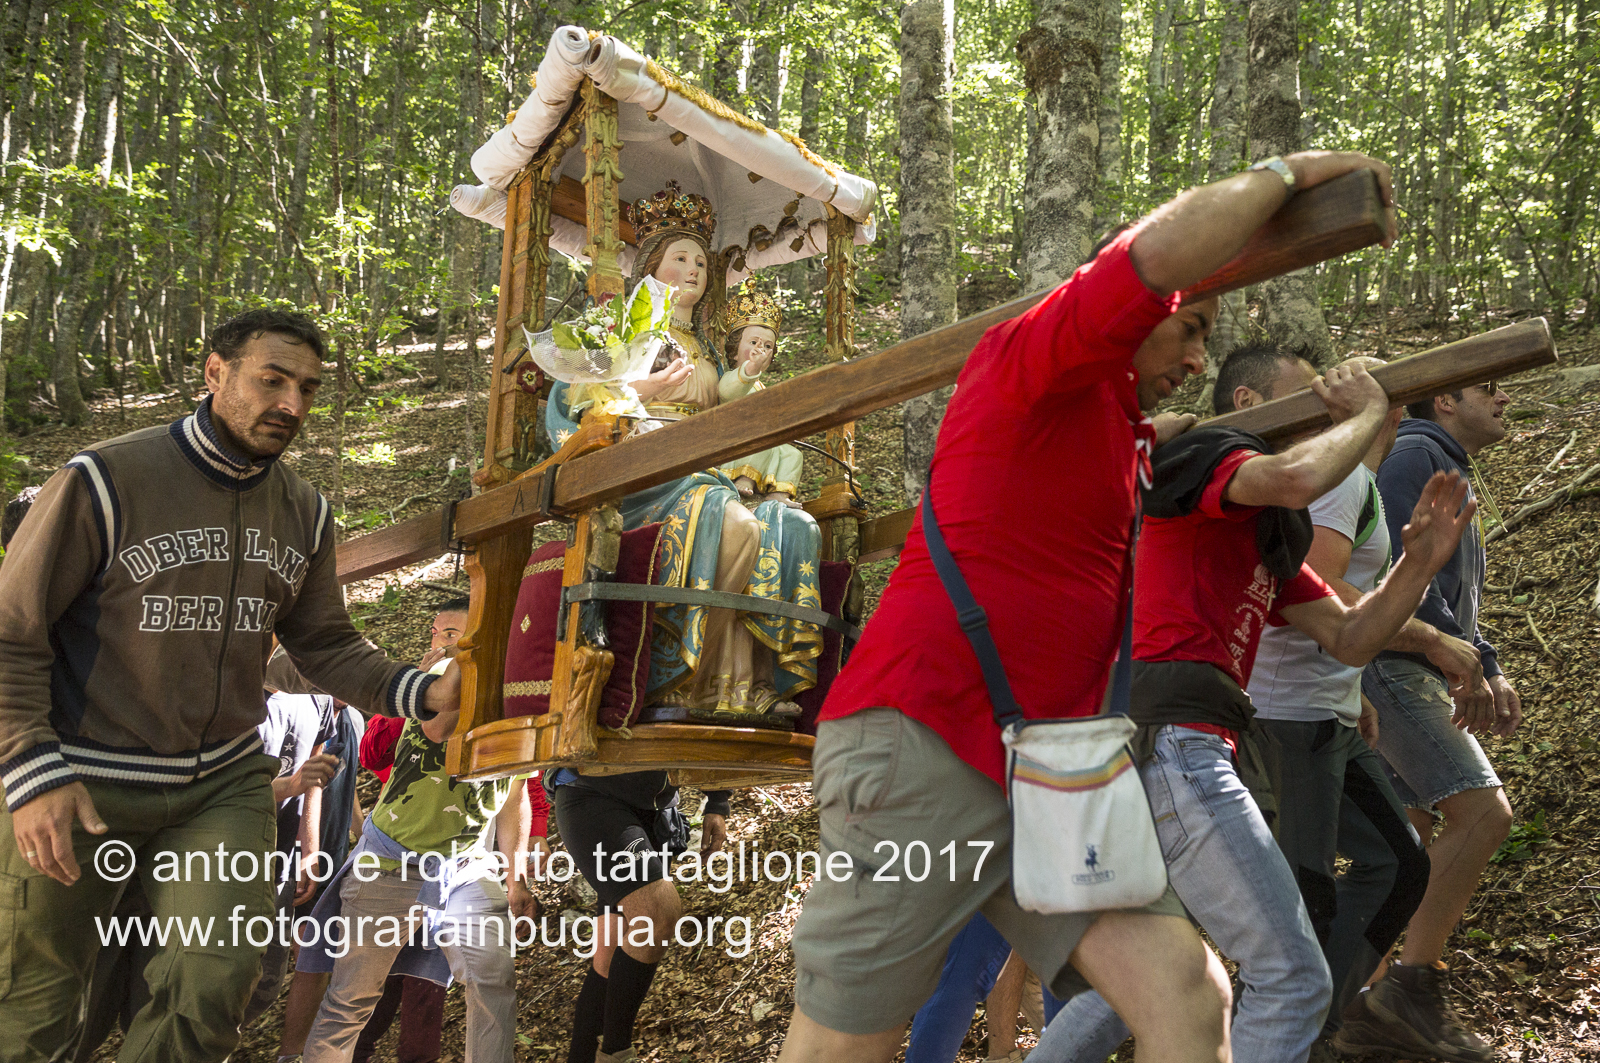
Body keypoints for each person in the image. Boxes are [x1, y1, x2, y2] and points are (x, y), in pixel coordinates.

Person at [774, 150, 1400, 1063]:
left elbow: (1148, 447)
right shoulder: (1038, 351)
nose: (1198, 358)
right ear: (1130, 310)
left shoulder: (1115, 427)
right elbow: (1156, 255)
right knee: (845, 1042)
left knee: (1189, 993)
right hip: (927, 738)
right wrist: (1288, 171)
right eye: (1190, 329)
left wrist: (1154, 432)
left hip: (1049, 772)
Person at [0, 308, 459, 1061]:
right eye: (271, 380)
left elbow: (323, 645)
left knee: (214, 983)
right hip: (83, 774)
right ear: (215, 373)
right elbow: (12, 630)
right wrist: (30, 769)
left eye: (307, 388)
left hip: (220, 780)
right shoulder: (105, 480)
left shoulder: (304, 511)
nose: (291, 404)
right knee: (34, 1006)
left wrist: (424, 693)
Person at [1033, 359, 1478, 1063]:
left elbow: (1351, 637)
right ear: (1251, 406)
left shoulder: (1268, 541)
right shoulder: (1207, 458)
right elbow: (1297, 476)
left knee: (1137, 982)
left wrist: (1416, 566)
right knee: (1293, 978)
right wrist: (1365, 412)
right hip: (1170, 743)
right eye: (1307, 396)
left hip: (1151, 753)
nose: (1321, 407)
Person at [1229, 350, 1467, 1049]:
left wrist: (1354, 687)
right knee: (1310, 895)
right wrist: (1430, 639)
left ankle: (1307, 1027)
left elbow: (1321, 595)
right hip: (1290, 715)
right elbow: (1318, 590)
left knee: (1396, 866)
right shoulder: (1342, 481)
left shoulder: (1354, 479)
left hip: (1322, 707)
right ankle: (1284, 1035)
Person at [546, 182, 822, 721]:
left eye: (700, 261)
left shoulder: (709, 349)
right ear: (652, 265)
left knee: (791, 525)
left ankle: (744, 687)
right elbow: (573, 400)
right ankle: (679, 677)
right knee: (732, 522)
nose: (694, 269)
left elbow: (735, 411)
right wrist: (644, 389)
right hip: (643, 467)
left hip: (710, 467)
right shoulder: (619, 329)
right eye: (680, 258)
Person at [1343, 380, 1520, 1063]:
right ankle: (1407, 988)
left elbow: (1449, 592)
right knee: (1483, 815)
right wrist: (1454, 658)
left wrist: (1485, 662)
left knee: (1406, 840)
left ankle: (1359, 1005)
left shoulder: (1443, 460)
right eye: (1487, 387)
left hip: (1413, 662)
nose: (1503, 400)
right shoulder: (1416, 452)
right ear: (1443, 399)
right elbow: (1396, 574)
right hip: (1395, 664)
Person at [299, 698, 537, 1063]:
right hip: (390, 862)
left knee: (494, 978)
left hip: (466, 865)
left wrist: (515, 880)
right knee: (351, 1001)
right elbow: (436, 729)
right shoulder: (442, 679)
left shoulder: (526, 700)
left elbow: (514, 796)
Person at [549, 766, 729, 1063]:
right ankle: (616, 1054)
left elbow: (709, 738)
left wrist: (718, 800)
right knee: (657, 912)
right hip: (592, 791)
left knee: (610, 953)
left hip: (654, 808)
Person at [716, 282, 806, 508]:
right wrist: (750, 369)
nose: (761, 350)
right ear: (734, 350)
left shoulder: (761, 387)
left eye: (767, 346)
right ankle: (743, 477)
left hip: (762, 441)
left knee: (793, 454)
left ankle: (779, 492)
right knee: (760, 440)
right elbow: (727, 392)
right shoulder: (734, 377)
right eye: (754, 342)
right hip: (736, 441)